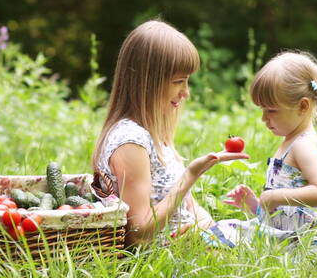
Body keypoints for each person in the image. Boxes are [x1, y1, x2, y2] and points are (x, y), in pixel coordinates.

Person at [91, 20, 249, 246]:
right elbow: (138, 233)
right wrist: (190, 176)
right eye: (178, 82)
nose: (186, 93)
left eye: (187, 81)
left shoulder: (153, 136)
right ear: (148, 84)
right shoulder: (130, 143)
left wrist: (209, 229)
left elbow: (190, 207)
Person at [203, 51, 317, 248]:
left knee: (225, 231)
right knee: (227, 232)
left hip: (300, 243)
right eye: (262, 110)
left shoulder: (303, 145)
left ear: (302, 106)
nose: (264, 118)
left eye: (271, 110)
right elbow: (291, 210)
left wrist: (274, 196)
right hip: (288, 233)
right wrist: (256, 206)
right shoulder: (292, 141)